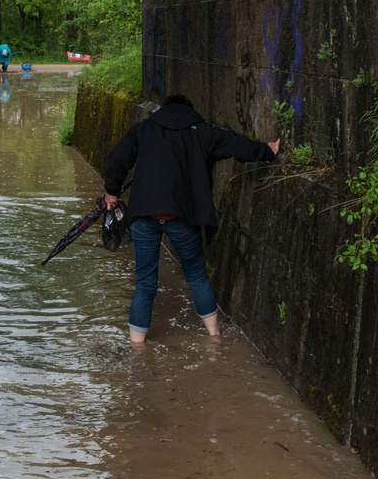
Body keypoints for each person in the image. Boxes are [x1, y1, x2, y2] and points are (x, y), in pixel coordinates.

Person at [102, 94, 278, 343]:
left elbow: (118, 159)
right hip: (182, 217)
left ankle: (137, 350)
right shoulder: (203, 133)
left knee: (145, 284)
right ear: (189, 111)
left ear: (163, 110)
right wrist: (267, 151)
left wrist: (111, 191)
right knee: (196, 276)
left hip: (144, 216)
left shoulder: (143, 130)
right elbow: (236, 144)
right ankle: (214, 339)